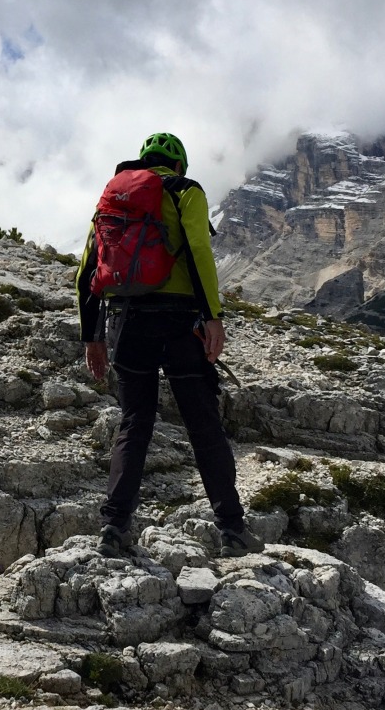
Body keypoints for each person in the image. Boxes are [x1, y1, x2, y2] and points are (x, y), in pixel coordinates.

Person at [76, 132, 259, 559]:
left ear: (143, 161)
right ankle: (232, 530)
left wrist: (92, 337)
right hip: (179, 323)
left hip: (127, 322)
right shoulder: (184, 191)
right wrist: (213, 316)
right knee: (203, 425)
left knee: (135, 421)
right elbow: (198, 251)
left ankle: (113, 527)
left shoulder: (114, 195)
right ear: (179, 165)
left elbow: (87, 269)